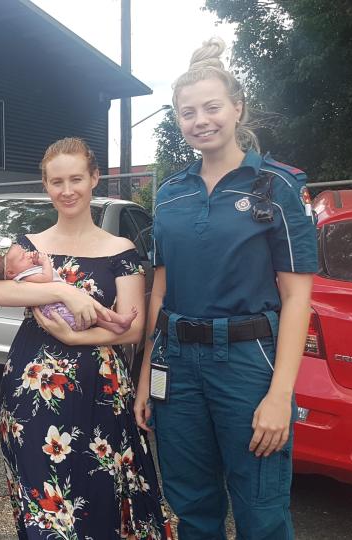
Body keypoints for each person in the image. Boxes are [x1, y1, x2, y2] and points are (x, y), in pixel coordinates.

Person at [133, 37, 316, 540]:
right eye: (187, 112)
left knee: (261, 508)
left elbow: (298, 296)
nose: (201, 120)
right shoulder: (170, 194)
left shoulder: (278, 188)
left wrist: (281, 394)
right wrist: (147, 373)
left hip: (248, 362)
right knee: (192, 506)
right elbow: (160, 292)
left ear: (237, 107)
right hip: (177, 366)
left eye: (212, 107)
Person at [0, 137, 170, 539]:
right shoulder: (29, 247)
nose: (66, 191)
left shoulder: (120, 249)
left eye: (75, 179)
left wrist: (73, 336)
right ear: (45, 185)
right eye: (56, 182)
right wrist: (63, 291)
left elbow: (134, 326)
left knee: (100, 494)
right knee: (43, 504)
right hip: (32, 394)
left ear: (94, 179)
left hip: (100, 392)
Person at [0, 240, 138, 333]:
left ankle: (114, 327)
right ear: (11, 272)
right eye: (22, 257)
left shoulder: (24, 271)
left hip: (65, 312)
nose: (27, 255)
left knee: (95, 317)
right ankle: (119, 319)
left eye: (24, 252)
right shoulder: (25, 276)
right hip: (63, 312)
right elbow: (46, 279)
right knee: (96, 308)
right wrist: (45, 262)